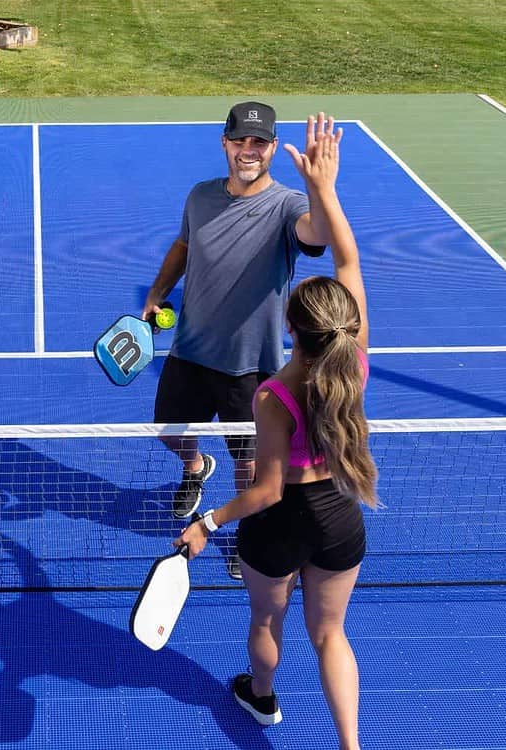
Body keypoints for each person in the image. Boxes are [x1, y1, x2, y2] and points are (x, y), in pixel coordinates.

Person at [175, 115, 376, 750]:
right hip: (340, 517)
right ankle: (351, 745)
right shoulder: (358, 359)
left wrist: (209, 522)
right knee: (331, 635)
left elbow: (262, 493)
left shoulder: (273, 396)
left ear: (290, 328)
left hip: (280, 522)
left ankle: (261, 699)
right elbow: (347, 255)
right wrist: (328, 185)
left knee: (267, 616)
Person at [143, 102, 334, 579]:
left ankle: (243, 533)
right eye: (240, 141)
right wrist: (156, 292)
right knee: (168, 431)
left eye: (259, 143)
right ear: (225, 143)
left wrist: (319, 185)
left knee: (248, 466)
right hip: (189, 350)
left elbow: (318, 233)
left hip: (251, 366)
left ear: (271, 148)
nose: (248, 150)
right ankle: (194, 468)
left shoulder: (287, 205)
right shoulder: (200, 196)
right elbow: (184, 246)